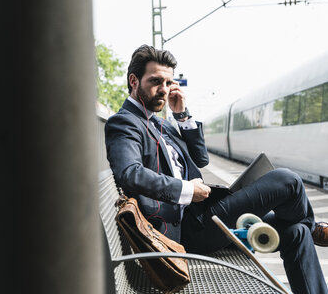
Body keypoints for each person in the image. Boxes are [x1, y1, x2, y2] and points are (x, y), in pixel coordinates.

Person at [104, 44, 328, 294]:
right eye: (156, 81)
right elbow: (130, 173)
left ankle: (308, 235)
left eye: (168, 83)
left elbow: (201, 159)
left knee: (296, 232)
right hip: (188, 228)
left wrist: (182, 116)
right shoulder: (124, 123)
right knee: (287, 181)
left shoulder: (160, 123)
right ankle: (313, 225)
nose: (164, 90)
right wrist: (187, 190)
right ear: (134, 81)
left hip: (207, 214)